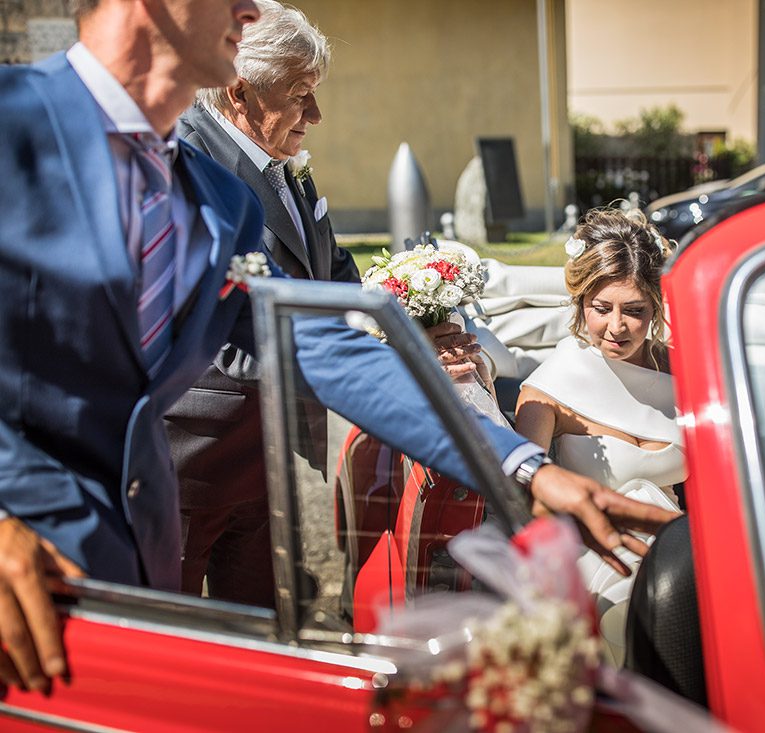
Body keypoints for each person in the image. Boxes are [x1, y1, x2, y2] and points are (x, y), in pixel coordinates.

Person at [0, 0, 675, 692]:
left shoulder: (217, 199)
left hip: (126, 577)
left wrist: (521, 465)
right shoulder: (11, 121)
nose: (248, 8)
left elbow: (324, 347)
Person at [164, 0, 484, 607]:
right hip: (192, 455)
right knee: (172, 623)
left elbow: (335, 279)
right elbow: (220, 329)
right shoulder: (186, 162)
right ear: (239, 91)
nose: (316, 113)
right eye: (300, 94)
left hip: (268, 448)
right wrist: (381, 363)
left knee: (264, 618)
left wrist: (410, 331)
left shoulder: (281, 162)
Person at [514, 208, 686, 663]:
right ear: (580, 304)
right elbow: (524, 500)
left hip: (680, 546)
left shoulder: (684, 370)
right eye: (601, 308)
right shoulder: (547, 389)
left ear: (656, 306)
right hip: (591, 554)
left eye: (635, 311)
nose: (616, 327)